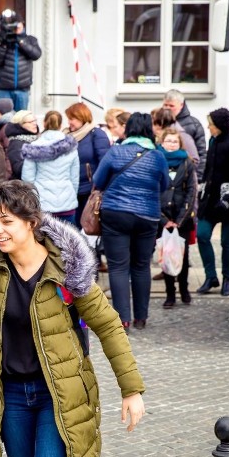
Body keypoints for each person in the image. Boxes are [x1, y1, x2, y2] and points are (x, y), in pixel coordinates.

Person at [0, 180, 146, 457]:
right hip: (11, 397)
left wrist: (132, 390)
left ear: (31, 223)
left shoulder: (68, 270)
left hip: (58, 395)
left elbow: (108, 326)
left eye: (7, 222)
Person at [93, 113, 169, 331]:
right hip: (147, 215)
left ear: (129, 130)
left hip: (116, 213)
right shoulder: (157, 156)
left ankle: (122, 319)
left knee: (118, 267)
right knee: (142, 265)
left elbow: (98, 180)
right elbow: (163, 185)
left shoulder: (115, 152)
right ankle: (141, 318)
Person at [196, 108, 229, 297]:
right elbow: (208, 170)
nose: (208, 127)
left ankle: (227, 279)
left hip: (228, 202)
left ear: (220, 126)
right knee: (202, 234)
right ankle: (210, 277)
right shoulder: (212, 140)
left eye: (211, 124)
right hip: (209, 199)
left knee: (227, 241)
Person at [156, 128, 198, 307]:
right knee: (165, 257)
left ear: (179, 143)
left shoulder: (187, 162)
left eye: (175, 141)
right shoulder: (157, 161)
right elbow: (152, 191)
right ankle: (170, 293)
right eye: (168, 141)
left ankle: (184, 289)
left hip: (182, 217)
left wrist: (180, 219)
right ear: (162, 142)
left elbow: (191, 191)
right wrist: (164, 220)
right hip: (163, 217)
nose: (172, 144)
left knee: (183, 256)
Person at [21, 110, 79, 224]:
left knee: (42, 240)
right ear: (61, 125)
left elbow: (28, 179)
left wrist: (33, 201)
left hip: (42, 203)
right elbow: (75, 178)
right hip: (67, 201)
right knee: (68, 240)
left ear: (44, 123)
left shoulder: (33, 148)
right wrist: (71, 195)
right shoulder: (71, 147)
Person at [66, 102, 111, 225]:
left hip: (89, 190)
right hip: (71, 189)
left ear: (82, 117)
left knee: (87, 226)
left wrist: (98, 185)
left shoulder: (96, 134)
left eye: (72, 118)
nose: (69, 122)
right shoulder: (68, 136)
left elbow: (105, 161)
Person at [0, 9, 42, 111]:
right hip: (4, 89)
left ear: (22, 24)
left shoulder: (30, 40)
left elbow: (36, 55)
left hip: (22, 90)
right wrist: (3, 44)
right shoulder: (2, 42)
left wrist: (20, 41)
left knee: (20, 121)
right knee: (4, 119)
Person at [162, 89, 207, 181]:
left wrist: (197, 178)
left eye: (171, 106)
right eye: (165, 105)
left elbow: (201, 153)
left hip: (185, 176)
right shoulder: (159, 123)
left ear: (181, 105)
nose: (167, 108)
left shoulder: (194, 125)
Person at [4, 110, 39, 180]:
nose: (35, 123)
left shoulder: (37, 139)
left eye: (35, 120)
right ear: (20, 125)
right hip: (22, 186)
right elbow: (18, 169)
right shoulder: (16, 143)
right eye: (30, 122)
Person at [0, 97, 15, 176]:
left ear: (2, 112)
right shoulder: (2, 125)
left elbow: (8, 152)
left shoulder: (6, 128)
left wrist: (6, 175)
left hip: (6, 173)